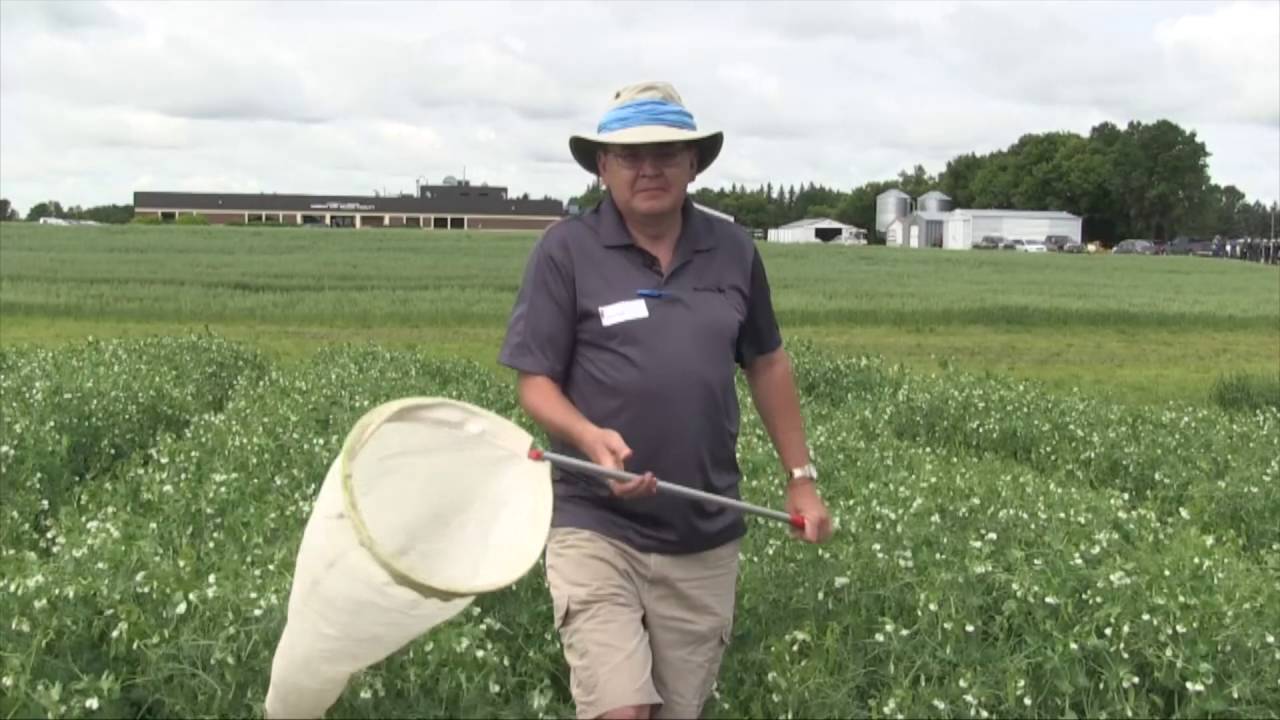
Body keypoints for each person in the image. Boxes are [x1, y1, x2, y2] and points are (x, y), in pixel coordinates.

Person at [497, 81, 833, 720]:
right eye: (629, 156)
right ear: (603, 166)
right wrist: (589, 436)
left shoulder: (733, 249)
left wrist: (801, 479)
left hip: (703, 531)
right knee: (621, 710)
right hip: (596, 521)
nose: (648, 169)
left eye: (666, 154)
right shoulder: (565, 251)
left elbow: (766, 361)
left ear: (693, 164)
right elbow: (534, 381)